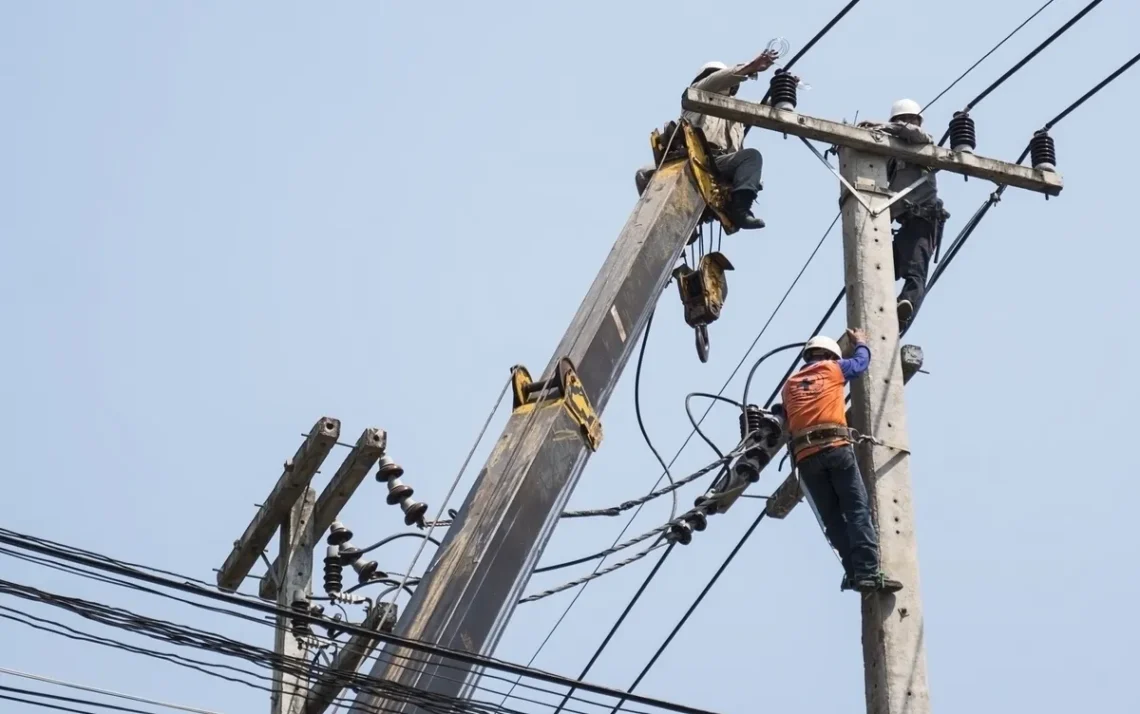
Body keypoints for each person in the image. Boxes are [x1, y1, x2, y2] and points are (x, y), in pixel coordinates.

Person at [781, 330, 903, 594]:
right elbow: (860, 363)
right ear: (829, 355)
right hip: (835, 448)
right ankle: (868, 572)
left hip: (806, 458)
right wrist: (861, 341)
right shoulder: (832, 368)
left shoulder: (789, 385)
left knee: (834, 520)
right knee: (857, 510)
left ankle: (853, 573)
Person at [636, 50, 781, 230]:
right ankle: (662, 223)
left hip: (720, 165)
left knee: (751, 157)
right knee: (644, 173)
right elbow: (717, 80)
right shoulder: (696, 94)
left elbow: (766, 110)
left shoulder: (737, 110)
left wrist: (784, 89)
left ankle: (740, 210)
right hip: (693, 159)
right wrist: (749, 67)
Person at [859, 99, 950, 330]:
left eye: (909, 119)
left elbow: (913, 134)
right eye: (901, 119)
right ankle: (878, 311)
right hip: (904, 225)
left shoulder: (924, 144)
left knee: (915, 272)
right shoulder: (890, 156)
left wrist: (881, 126)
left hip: (923, 222)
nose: (906, 123)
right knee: (877, 265)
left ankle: (905, 306)